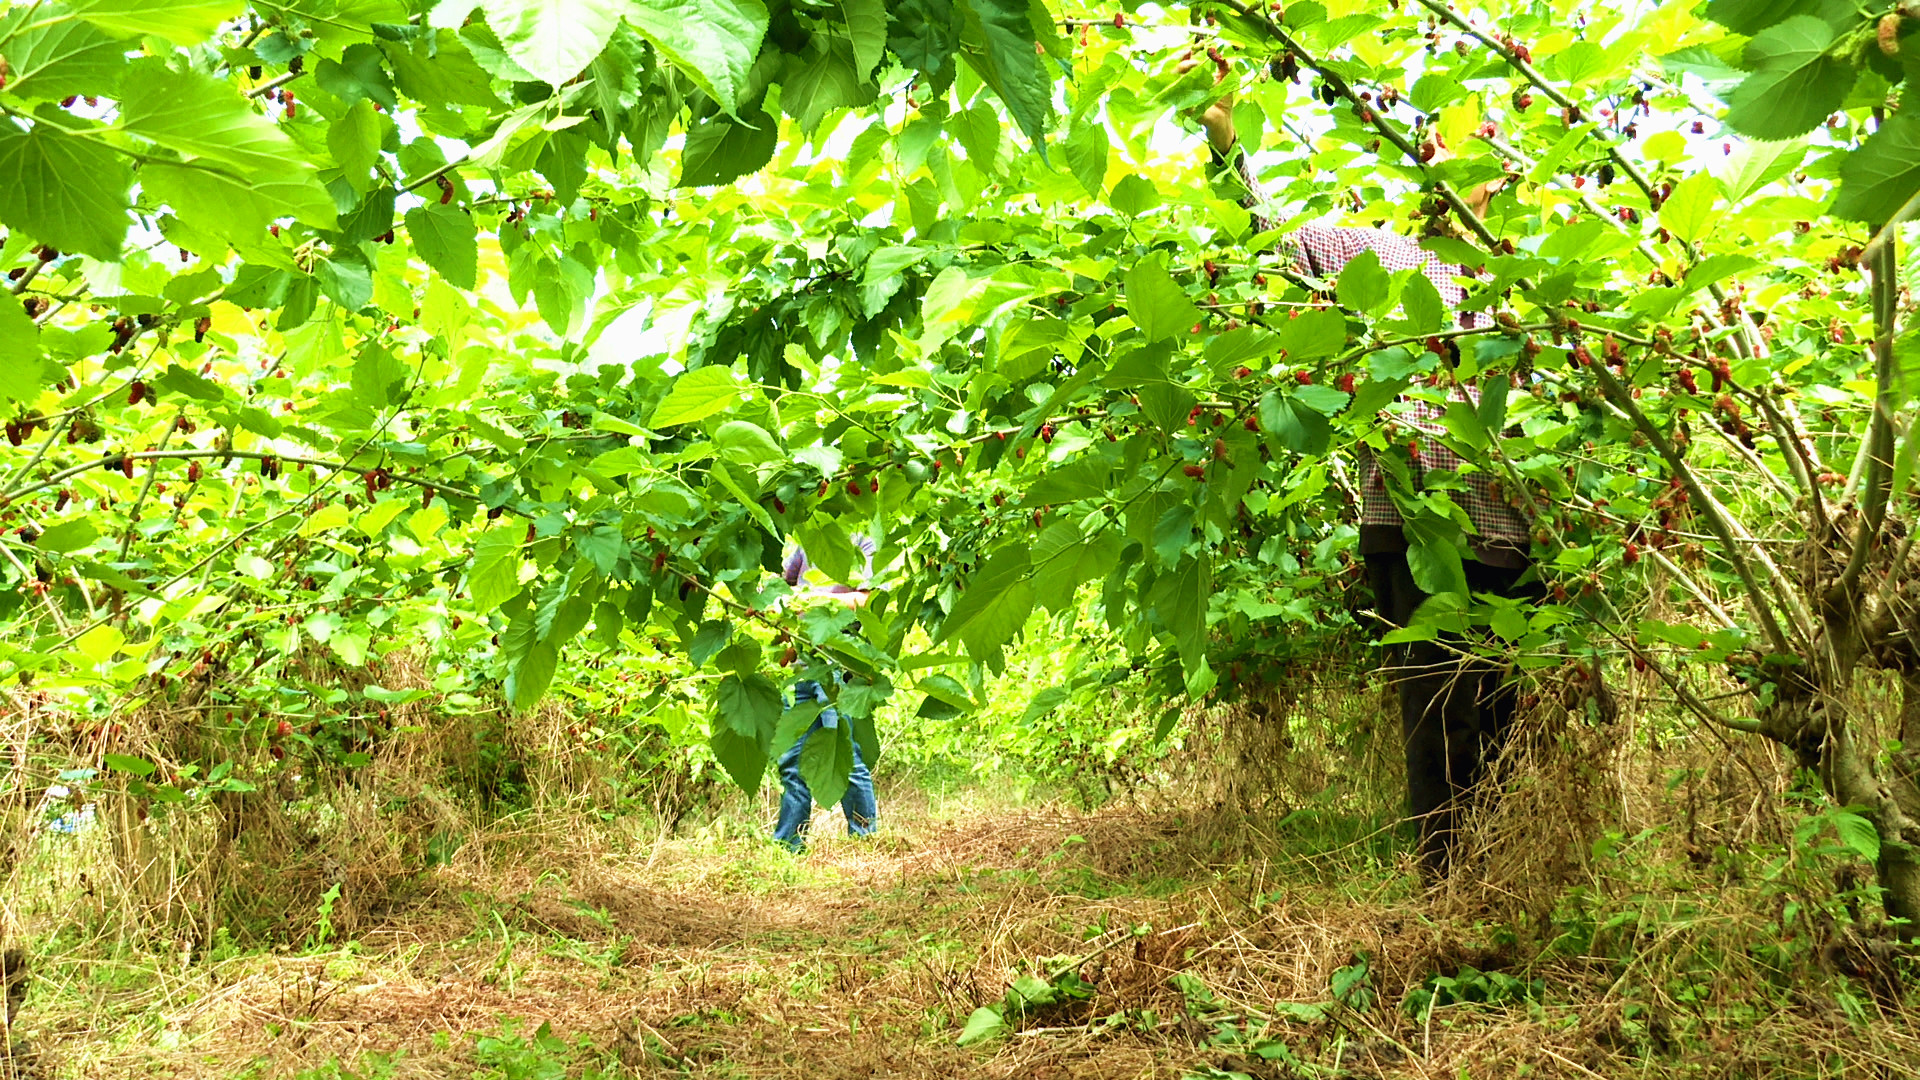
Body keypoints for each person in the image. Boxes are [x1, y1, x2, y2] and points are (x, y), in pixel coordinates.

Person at [1194, 78, 1539, 879]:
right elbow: (1271, 244)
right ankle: (1446, 881)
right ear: (1428, 163)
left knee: (1506, 711)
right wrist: (1226, 146)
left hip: (1512, 529)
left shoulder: (1521, 285)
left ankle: (1508, 874)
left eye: (1486, 160)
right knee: (1438, 710)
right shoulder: (1379, 253)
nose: (1468, 173)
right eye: (1453, 151)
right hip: (1415, 525)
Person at [771, 536, 879, 851]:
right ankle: (788, 845)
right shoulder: (809, 542)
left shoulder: (863, 542)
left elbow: (867, 601)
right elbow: (783, 586)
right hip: (802, 667)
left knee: (845, 755)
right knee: (792, 760)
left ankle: (864, 841)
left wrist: (814, 598)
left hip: (839, 668)